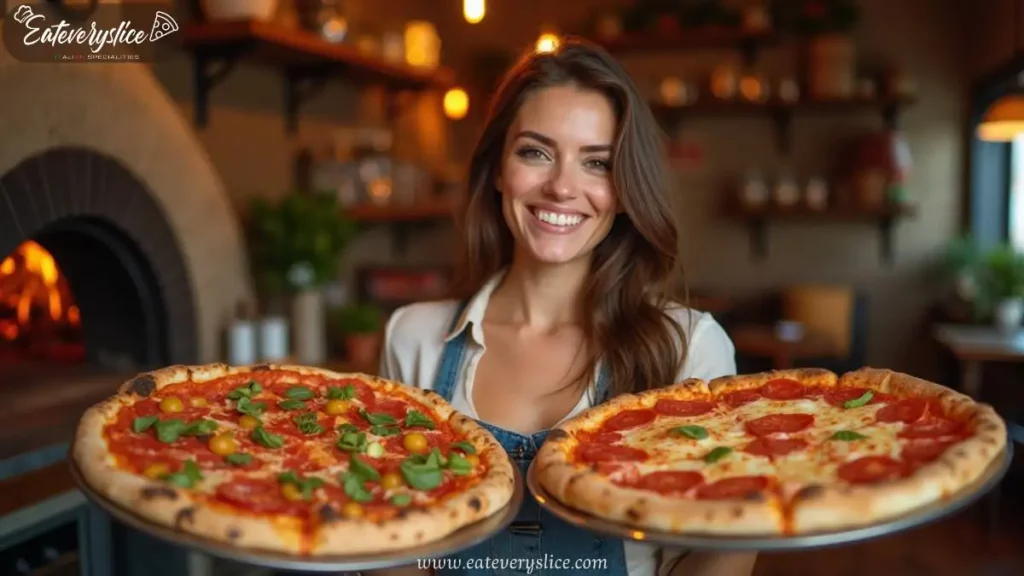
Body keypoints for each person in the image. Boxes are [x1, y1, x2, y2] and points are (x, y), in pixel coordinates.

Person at [371, 37, 757, 576]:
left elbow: (722, 550)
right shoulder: (412, 337)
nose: (561, 187)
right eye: (536, 152)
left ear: (623, 190)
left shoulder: (688, 346)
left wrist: (754, 501)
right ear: (500, 169)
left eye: (596, 163)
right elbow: (391, 541)